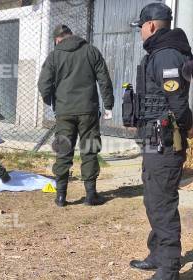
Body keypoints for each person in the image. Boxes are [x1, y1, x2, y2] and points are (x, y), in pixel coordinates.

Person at [128, 3, 193, 280]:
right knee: (153, 199)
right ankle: (158, 254)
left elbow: (177, 100)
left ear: (152, 26)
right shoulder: (160, 52)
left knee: (162, 203)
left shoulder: (166, 55)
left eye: (141, 27)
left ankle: (169, 269)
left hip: (164, 143)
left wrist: (187, 126)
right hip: (154, 142)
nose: (140, 33)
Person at [38, 25, 114, 207]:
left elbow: (43, 84)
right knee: (90, 148)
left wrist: (51, 101)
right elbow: (104, 79)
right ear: (71, 35)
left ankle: (61, 196)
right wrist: (108, 104)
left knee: (63, 150)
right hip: (88, 110)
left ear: (57, 39)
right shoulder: (91, 51)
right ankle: (90, 195)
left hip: (64, 111)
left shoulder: (54, 56)